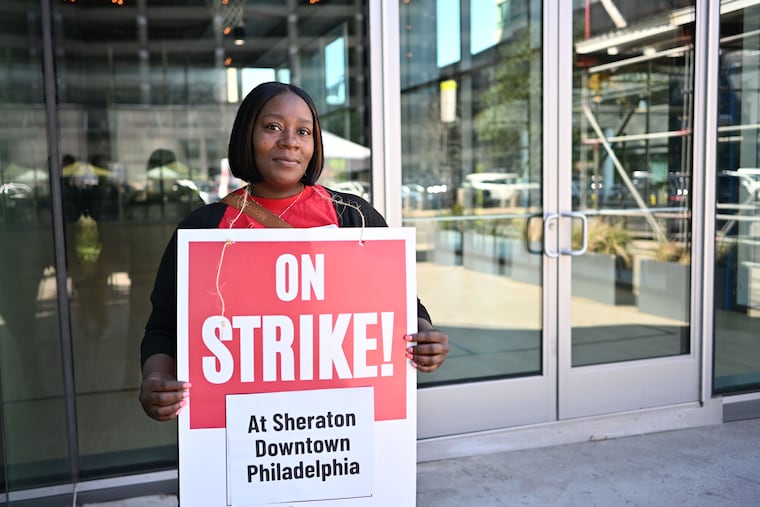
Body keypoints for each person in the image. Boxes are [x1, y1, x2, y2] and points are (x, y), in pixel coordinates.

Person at [139, 81, 449, 421]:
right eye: (272, 127)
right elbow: (165, 328)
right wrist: (157, 377)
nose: (289, 141)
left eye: (303, 131)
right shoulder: (203, 229)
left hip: (338, 423)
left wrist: (424, 334)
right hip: (242, 429)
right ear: (247, 135)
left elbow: (401, 303)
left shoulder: (354, 217)